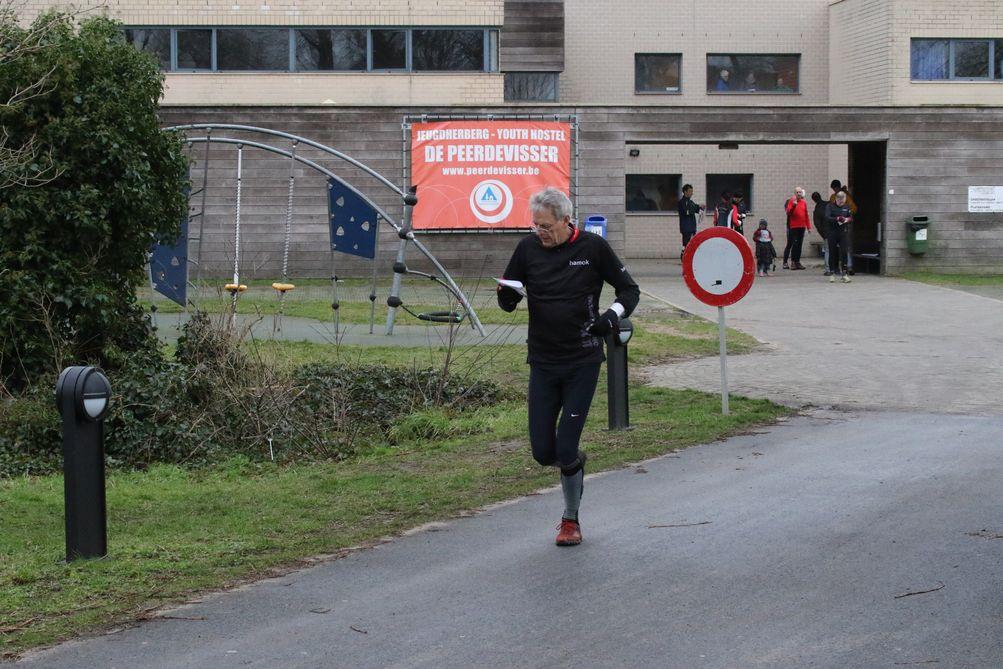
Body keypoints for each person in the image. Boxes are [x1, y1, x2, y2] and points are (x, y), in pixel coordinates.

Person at [497, 187, 640, 547]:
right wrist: (507, 296)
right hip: (543, 361)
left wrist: (611, 316)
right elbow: (508, 299)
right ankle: (574, 460)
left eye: (546, 226)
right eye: (535, 225)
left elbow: (629, 291)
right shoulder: (527, 248)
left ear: (565, 221)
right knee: (543, 452)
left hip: (582, 360)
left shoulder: (592, 248)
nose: (539, 232)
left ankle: (570, 520)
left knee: (564, 448)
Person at [829, 180, 858, 274]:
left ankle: (847, 267)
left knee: (845, 247)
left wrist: (846, 215)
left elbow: (854, 208)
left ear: (837, 187)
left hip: (844, 225)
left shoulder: (846, 197)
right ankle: (835, 267)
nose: (834, 190)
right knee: (835, 249)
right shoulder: (833, 197)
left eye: (834, 188)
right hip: (835, 225)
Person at [825, 191, 854, 283]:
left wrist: (847, 219)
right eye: (841, 200)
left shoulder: (846, 206)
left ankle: (844, 274)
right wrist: (837, 218)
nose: (842, 202)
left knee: (844, 252)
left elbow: (850, 217)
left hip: (843, 233)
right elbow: (827, 218)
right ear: (837, 199)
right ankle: (832, 273)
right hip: (832, 233)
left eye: (844, 200)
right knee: (832, 252)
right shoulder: (830, 206)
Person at [784, 186, 811, 270]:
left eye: (800, 192)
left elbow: (806, 215)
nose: (799, 194)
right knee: (794, 244)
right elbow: (788, 212)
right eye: (797, 192)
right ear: (795, 193)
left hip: (802, 226)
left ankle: (797, 261)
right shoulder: (792, 201)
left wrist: (809, 227)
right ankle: (792, 262)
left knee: (799, 244)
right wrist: (794, 206)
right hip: (794, 227)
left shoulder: (804, 202)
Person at [677, 183, 703, 257]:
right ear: (685, 192)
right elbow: (687, 212)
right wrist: (696, 207)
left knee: (691, 243)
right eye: (690, 191)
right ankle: (684, 257)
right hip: (686, 226)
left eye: (692, 191)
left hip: (691, 226)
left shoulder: (690, 202)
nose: (692, 193)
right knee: (686, 243)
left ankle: (689, 257)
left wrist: (700, 207)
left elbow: (695, 208)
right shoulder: (682, 202)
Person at [811, 191, 830, 275]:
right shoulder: (829, 204)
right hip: (834, 230)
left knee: (827, 251)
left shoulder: (817, 210)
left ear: (813, 200)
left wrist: (823, 234)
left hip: (826, 232)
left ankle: (828, 270)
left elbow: (817, 224)